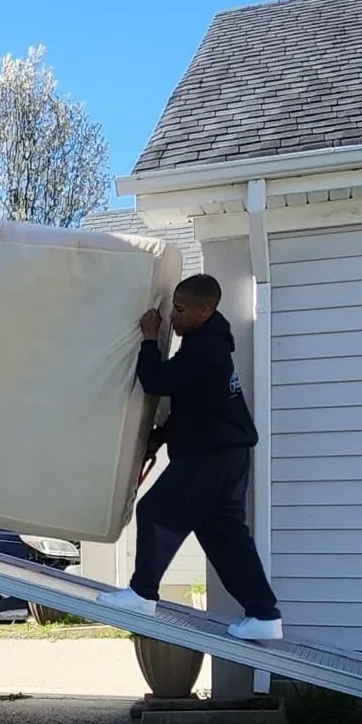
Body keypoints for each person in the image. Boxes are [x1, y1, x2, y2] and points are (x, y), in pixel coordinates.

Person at [96, 274, 283, 641]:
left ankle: (142, 594)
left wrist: (149, 339)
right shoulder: (206, 343)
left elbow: (157, 382)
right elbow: (195, 406)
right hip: (227, 454)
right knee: (224, 537)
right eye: (171, 310)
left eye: (179, 311)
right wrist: (161, 438)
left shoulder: (204, 351)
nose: (173, 318)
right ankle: (264, 615)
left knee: (156, 513)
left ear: (205, 310)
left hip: (209, 455)